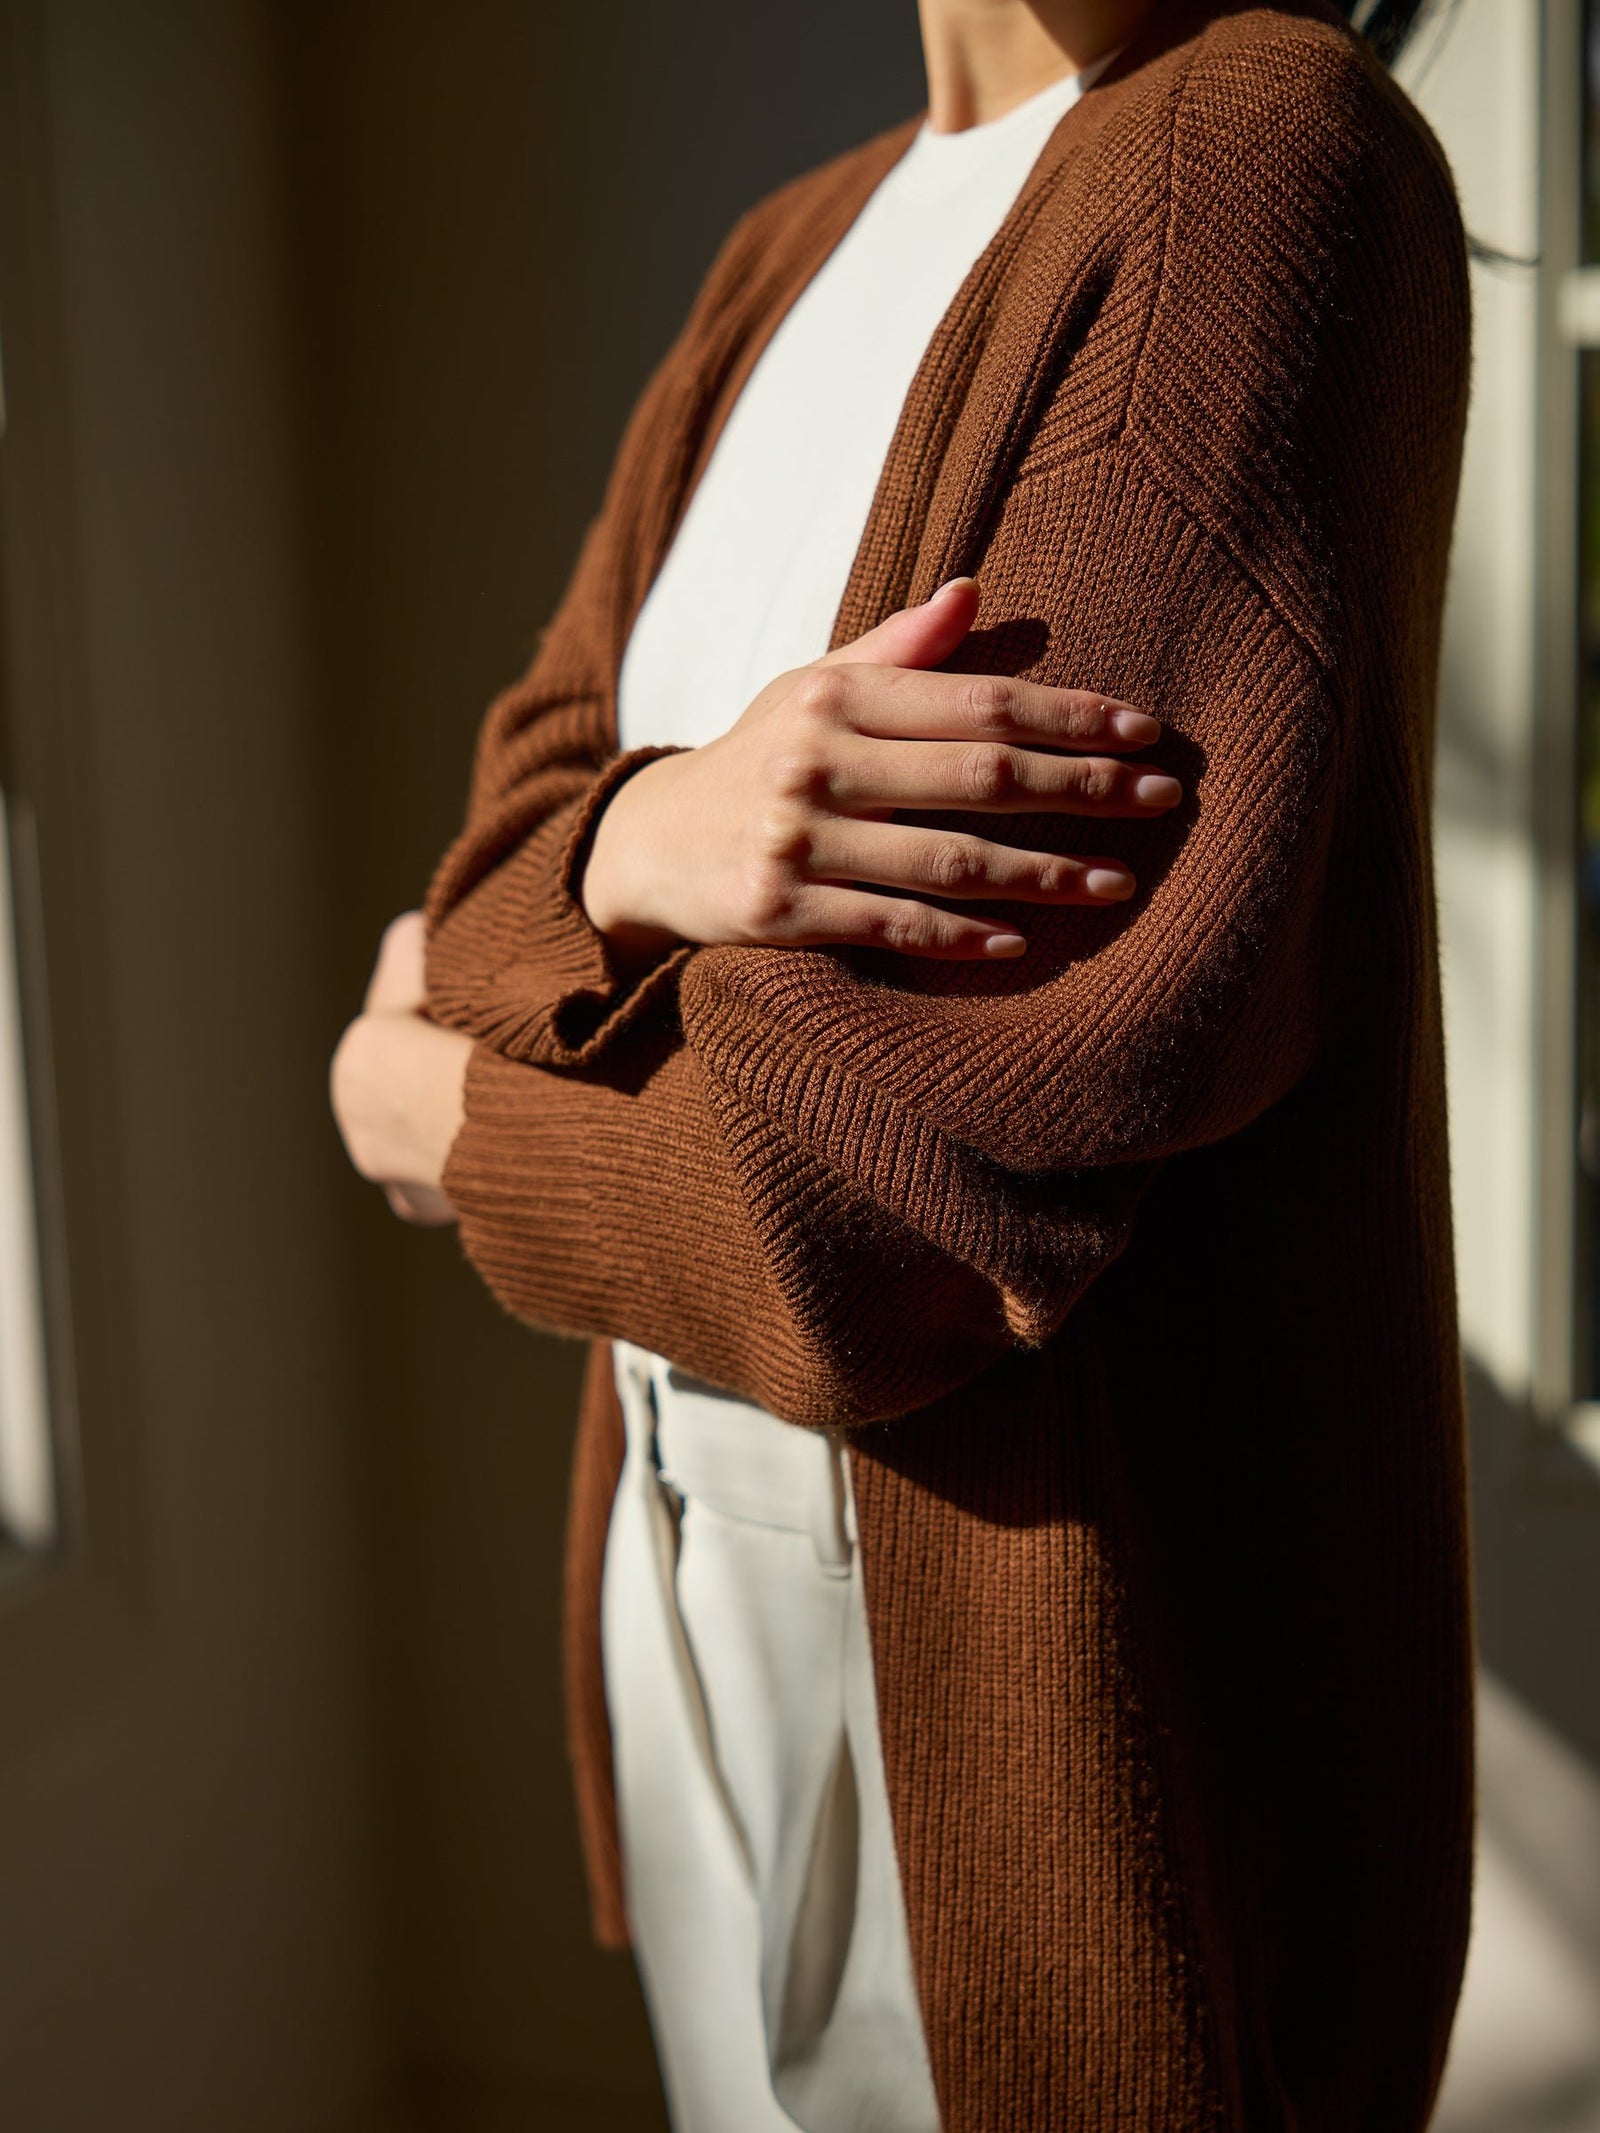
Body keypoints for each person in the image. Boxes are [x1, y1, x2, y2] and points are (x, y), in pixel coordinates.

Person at [331, 1, 1472, 2127]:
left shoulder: (1249, 156)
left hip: (1038, 1772)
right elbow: (503, 825)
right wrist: (639, 835)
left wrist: (428, 1102)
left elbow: (856, 1213)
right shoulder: (792, 249)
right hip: (693, 1620)